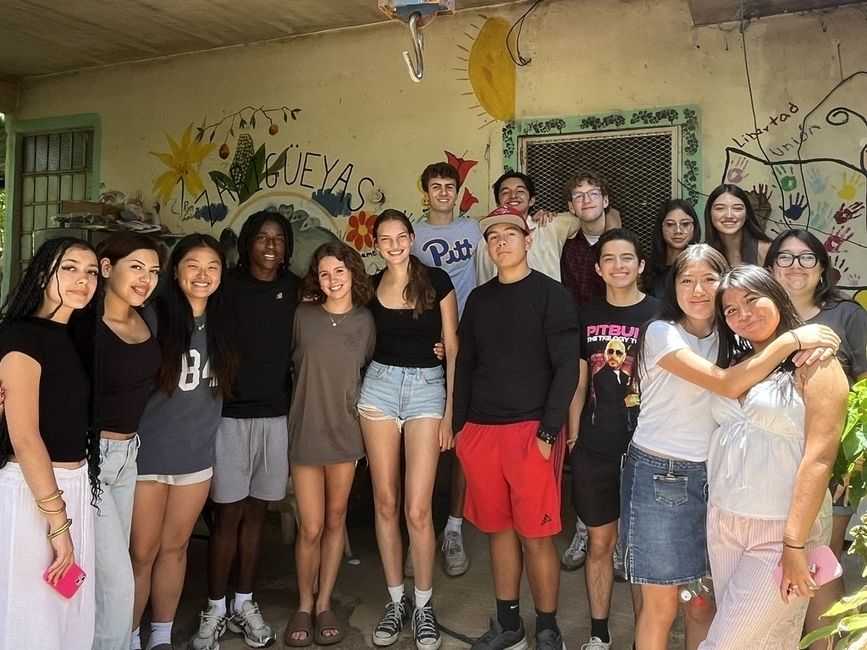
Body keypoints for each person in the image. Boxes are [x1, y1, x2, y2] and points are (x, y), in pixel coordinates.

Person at [621, 245, 841, 650]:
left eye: (709, 279)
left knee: (718, 623)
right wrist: (793, 338)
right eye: (686, 280)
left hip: (754, 508)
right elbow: (726, 384)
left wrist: (795, 541)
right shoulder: (668, 334)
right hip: (686, 490)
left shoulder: (769, 350)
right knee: (673, 609)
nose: (698, 290)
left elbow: (819, 453)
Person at [698, 265, 848, 649]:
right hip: (725, 520)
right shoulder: (737, 364)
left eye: (752, 300)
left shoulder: (815, 362)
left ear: (776, 296)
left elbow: (819, 457)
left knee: (723, 644)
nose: (743, 314)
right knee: (767, 641)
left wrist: (794, 544)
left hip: (779, 529)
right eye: (731, 310)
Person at [455, 205, 579, 650]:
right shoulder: (479, 300)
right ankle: (509, 626)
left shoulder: (551, 295)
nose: (501, 241)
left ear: (528, 241)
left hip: (532, 431)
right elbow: (465, 364)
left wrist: (548, 431)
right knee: (498, 530)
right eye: (493, 236)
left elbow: (567, 367)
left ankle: (547, 627)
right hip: (482, 431)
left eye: (510, 233)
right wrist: (460, 429)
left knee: (537, 535)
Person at [191, 210, 298, 650]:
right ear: (247, 243)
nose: (270, 246)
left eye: (278, 239)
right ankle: (214, 608)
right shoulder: (226, 288)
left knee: (257, 515)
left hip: (275, 416)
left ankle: (243, 602)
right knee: (227, 516)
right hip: (229, 416)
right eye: (262, 238)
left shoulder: (295, 289)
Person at [129, 235, 237, 650]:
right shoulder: (153, 317)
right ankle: (128, 635)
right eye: (193, 265)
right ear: (175, 271)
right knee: (142, 553)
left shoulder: (224, 323)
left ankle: (161, 634)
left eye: (212, 267)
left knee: (175, 549)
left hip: (195, 458)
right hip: (147, 457)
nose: (202, 275)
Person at [358, 209, 458, 650]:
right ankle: (396, 601)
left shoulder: (436, 280)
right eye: (386, 238)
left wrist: (451, 412)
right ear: (376, 244)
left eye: (401, 236)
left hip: (427, 391)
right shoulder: (369, 286)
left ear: (412, 238)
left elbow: (452, 346)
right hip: (379, 389)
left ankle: (424, 605)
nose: (394, 244)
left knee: (418, 509)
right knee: (385, 503)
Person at [766, 228, 867, 648]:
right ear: (771, 268)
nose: (795, 266)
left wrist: (855, 461)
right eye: (785, 258)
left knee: (820, 562)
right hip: (769, 466)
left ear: (822, 268)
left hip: (831, 465)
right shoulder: (759, 316)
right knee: (776, 566)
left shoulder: (847, 316)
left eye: (806, 258)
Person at [0, 237, 100, 649]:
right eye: (69, 268)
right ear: (43, 276)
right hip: (33, 490)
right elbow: (25, 437)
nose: (82, 280)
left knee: (68, 615)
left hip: (72, 486)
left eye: (91, 272)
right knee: (30, 621)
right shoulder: (21, 337)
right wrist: (58, 524)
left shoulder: (75, 336)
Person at [66, 231, 163, 650]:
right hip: (91, 458)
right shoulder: (82, 324)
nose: (145, 279)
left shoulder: (146, 317)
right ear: (107, 268)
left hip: (128, 457)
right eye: (135, 267)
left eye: (153, 271)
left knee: (107, 578)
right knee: (119, 584)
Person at [567, 228, 659, 650]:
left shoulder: (660, 315)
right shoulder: (585, 314)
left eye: (626, 258)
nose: (618, 265)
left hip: (647, 450)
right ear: (598, 268)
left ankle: (644, 640)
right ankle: (599, 634)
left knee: (639, 553)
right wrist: (573, 438)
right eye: (609, 259)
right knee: (600, 544)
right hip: (595, 447)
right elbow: (578, 382)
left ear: (640, 266)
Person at [283, 242, 375, 648]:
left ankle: (324, 604)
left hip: (345, 435)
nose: (333, 280)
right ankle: (303, 605)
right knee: (312, 526)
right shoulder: (302, 316)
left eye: (339, 271)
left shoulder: (366, 321)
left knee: (336, 521)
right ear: (315, 280)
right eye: (324, 273)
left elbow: (369, 370)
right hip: (306, 431)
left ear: (353, 273)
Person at [410, 162, 479, 578]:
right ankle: (420, 528)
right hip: (430, 346)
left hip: (472, 341)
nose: (442, 192)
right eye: (435, 186)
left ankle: (453, 529)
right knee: (427, 439)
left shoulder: (474, 228)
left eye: (449, 186)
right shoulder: (413, 236)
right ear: (426, 193)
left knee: (463, 438)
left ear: (457, 191)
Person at [475, 171, 579, 283]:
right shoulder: (488, 241)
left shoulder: (549, 225)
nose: (513, 196)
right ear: (497, 203)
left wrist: (553, 215)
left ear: (531, 200)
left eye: (520, 191)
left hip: (545, 294)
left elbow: (584, 219)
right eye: (505, 192)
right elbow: (483, 281)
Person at [644, 199, 701, 298]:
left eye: (685, 224)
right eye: (670, 224)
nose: (678, 231)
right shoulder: (647, 271)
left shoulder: (703, 266)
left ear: (694, 227)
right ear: (661, 227)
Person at [704, 184, 771, 267]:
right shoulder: (702, 255)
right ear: (709, 213)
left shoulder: (767, 250)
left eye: (737, 208)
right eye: (720, 208)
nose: (729, 216)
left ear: (747, 214)